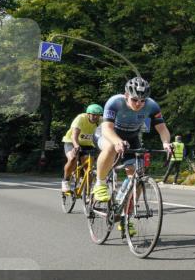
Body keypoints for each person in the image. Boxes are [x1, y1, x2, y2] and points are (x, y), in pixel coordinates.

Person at [92, 77, 172, 205]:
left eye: (142, 100)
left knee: (137, 177)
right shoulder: (115, 102)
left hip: (131, 138)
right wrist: (117, 141)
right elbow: (107, 128)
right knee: (111, 147)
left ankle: (124, 210)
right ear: (126, 95)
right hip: (107, 134)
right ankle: (100, 184)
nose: (138, 104)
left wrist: (166, 143)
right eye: (134, 100)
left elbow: (162, 128)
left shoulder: (152, 106)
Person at [60, 104, 103, 193]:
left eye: (98, 115)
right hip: (72, 142)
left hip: (88, 144)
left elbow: (104, 136)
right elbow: (74, 136)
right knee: (73, 158)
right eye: (93, 115)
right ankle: (65, 181)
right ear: (88, 114)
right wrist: (76, 146)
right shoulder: (81, 118)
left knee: (89, 167)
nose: (96, 117)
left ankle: (87, 192)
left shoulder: (101, 121)